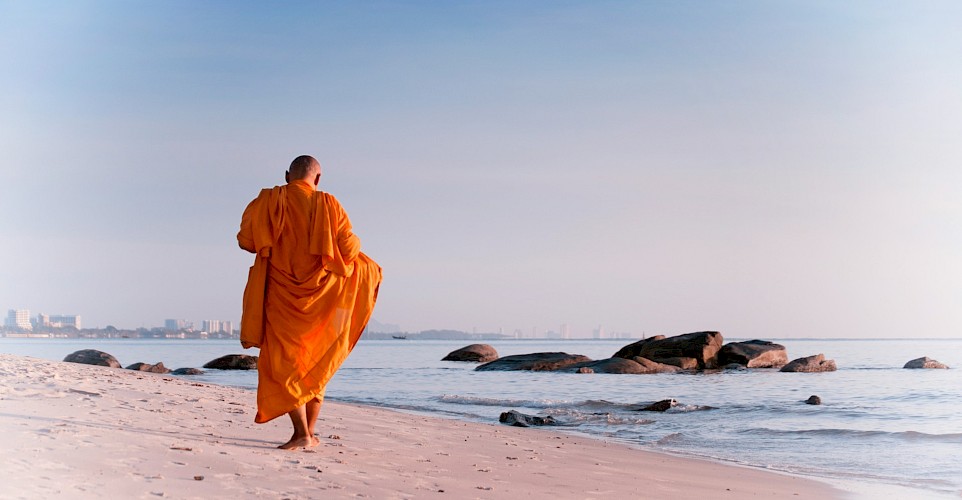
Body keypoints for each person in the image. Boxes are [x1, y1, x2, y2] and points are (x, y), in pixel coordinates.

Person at [237, 155, 381, 450]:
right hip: (322, 302)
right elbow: (349, 249)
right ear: (317, 179)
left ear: (287, 175)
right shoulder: (329, 205)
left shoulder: (267, 201)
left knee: (283, 364)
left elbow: (246, 241)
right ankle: (308, 433)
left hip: (281, 299)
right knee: (315, 361)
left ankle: (302, 433)